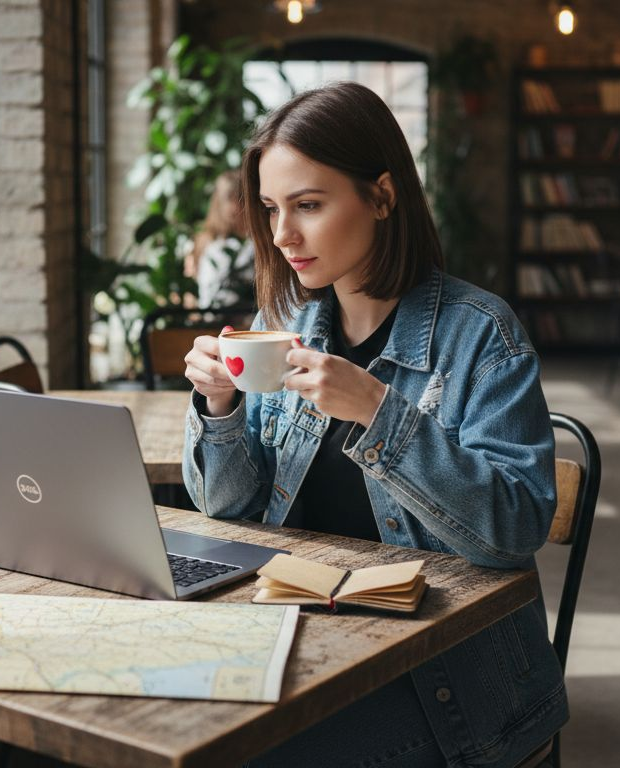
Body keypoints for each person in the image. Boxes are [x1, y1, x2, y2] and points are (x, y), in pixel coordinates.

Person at [181, 82, 566, 767]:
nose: (282, 234)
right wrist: (221, 408)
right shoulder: (285, 327)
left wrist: (378, 412)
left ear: (382, 197)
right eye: (271, 208)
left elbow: (515, 530)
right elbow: (229, 511)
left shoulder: (482, 336)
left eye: (308, 205)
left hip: (443, 681)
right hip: (306, 641)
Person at [187, 169, 255, 308]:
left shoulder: (252, 241)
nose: (238, 205)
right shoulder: (213, 246)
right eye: (233, 198)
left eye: (243, 197)